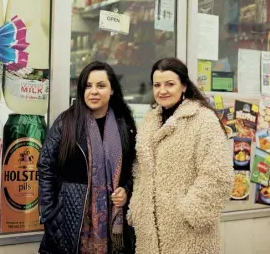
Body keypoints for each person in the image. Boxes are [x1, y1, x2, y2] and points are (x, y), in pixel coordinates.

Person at [127, 58, 233, 254]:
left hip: (189, 233)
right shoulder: (151, 120)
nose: (162, 90)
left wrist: (192, 212)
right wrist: (137, 207)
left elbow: (218, 175)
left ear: (184, 86)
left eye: (170, 84)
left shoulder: (203, 120)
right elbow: (140, 170)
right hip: (150, 231)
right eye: (157, 85)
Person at [38, 61, 136, 254]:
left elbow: (136, 169)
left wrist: (126, 190)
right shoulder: (66, 122)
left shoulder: (124, 126)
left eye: (101, 86)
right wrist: (49, 213)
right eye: (88, 86)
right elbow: (45, 166)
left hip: (113, 223)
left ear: (112, 90)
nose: (93, 91)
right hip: (68, 221)